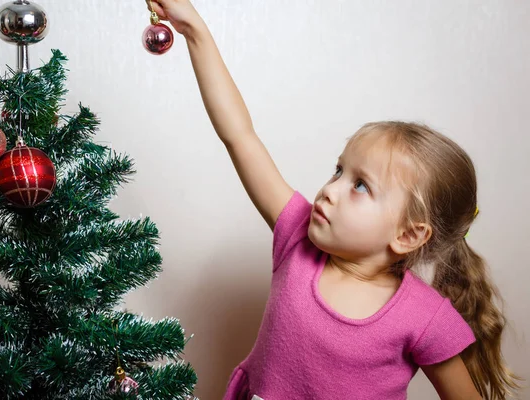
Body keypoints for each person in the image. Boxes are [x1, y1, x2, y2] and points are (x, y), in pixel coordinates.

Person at [144, 1, 520, 399]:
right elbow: (240, 135)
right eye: (339, 171)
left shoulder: (424, 317)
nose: (330, 189)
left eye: (360, 186)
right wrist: (195, 30)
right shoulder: (297, 238)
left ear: (409, 235)